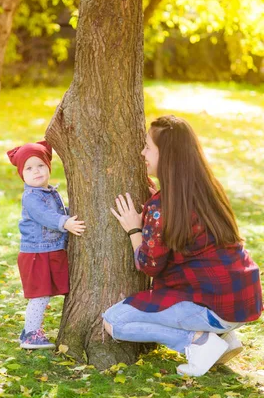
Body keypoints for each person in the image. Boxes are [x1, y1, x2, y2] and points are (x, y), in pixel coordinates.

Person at [102, 115, 262, 377]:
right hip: (244, 300)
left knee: (114, 322)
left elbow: (148, 265)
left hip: (214, 305)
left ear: (167, 156)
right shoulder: (207, 189)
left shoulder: (162, 207)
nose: (141, 152)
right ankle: (223, 337)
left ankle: (200, 342)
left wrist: (134, 228)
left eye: (147, 147)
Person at [7, 140, 85, 349]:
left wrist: (68, 214)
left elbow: (55, 212)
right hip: (37, 254)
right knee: (40, 296)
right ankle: (31, 334)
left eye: (40, 165)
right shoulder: (31, 197)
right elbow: (45, 216)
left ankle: (28, 332)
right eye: (29, 168)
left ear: (48, 167)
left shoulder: (49, 192)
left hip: (49, 250)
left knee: (45, 294)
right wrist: (65, 222)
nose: (36, 171)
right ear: (22, 174)